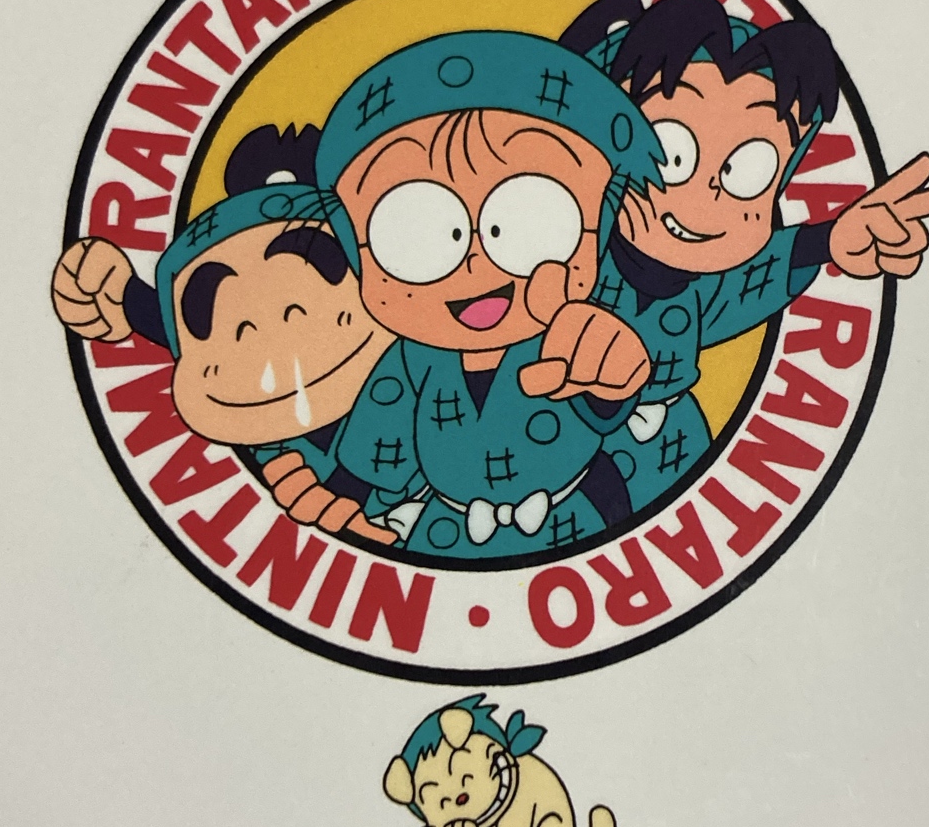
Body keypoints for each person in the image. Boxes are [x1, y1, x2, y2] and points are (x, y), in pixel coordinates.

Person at [263, 28, 663, 560]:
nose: (476, 265)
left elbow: (601, 391)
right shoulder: (410, 360)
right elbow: (378, 447)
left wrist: (612, 376)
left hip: (583, 517)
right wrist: (335, 502)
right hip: (447, 532)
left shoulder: (574, 327)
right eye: (417, 231)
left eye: (528, 219)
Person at [558, 0, 929, 507]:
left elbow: (756, 274)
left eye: (747, 172)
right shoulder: (564, 251)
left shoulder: (704, 293)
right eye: (672, 154)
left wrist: (829, 241)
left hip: (665, 464)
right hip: (537, 460)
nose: (705, 195)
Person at [50, 124, 401, 542]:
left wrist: (344, 495)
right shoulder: (265, 434)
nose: (271, 330)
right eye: (203, 308)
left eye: (319, 261)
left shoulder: (419, 372)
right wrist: (121, 296)